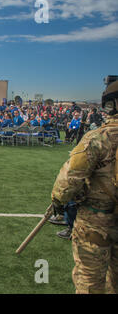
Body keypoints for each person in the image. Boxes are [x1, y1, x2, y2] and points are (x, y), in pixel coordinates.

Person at [50, 77, 118, 294]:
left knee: (90, 280)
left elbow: (69, 179)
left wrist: (58, 202)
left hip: (96, 220)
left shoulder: (98, 138)